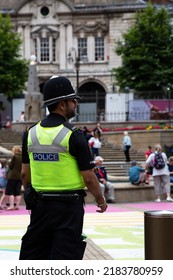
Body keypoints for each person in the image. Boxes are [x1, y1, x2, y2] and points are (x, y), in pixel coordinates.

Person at [19, 76, 107, 260]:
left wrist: (32, 195)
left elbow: (25, 174)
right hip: (69, 208)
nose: (75, 103)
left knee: (32, 260)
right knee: (65, 262)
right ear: (61, 104)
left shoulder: (30, 133)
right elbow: (89, 177)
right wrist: (100, 199)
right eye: (73, 100)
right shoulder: (74, 135)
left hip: (40, 206)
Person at [5, 145, 22, 210]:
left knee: (10, 191)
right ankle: (17, 206)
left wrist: (9, 163)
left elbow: (11, 166)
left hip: (12, 176)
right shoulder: (23, 157)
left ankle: (11, 205)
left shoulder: (14, 156)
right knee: (18, 192)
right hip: (20, 176)